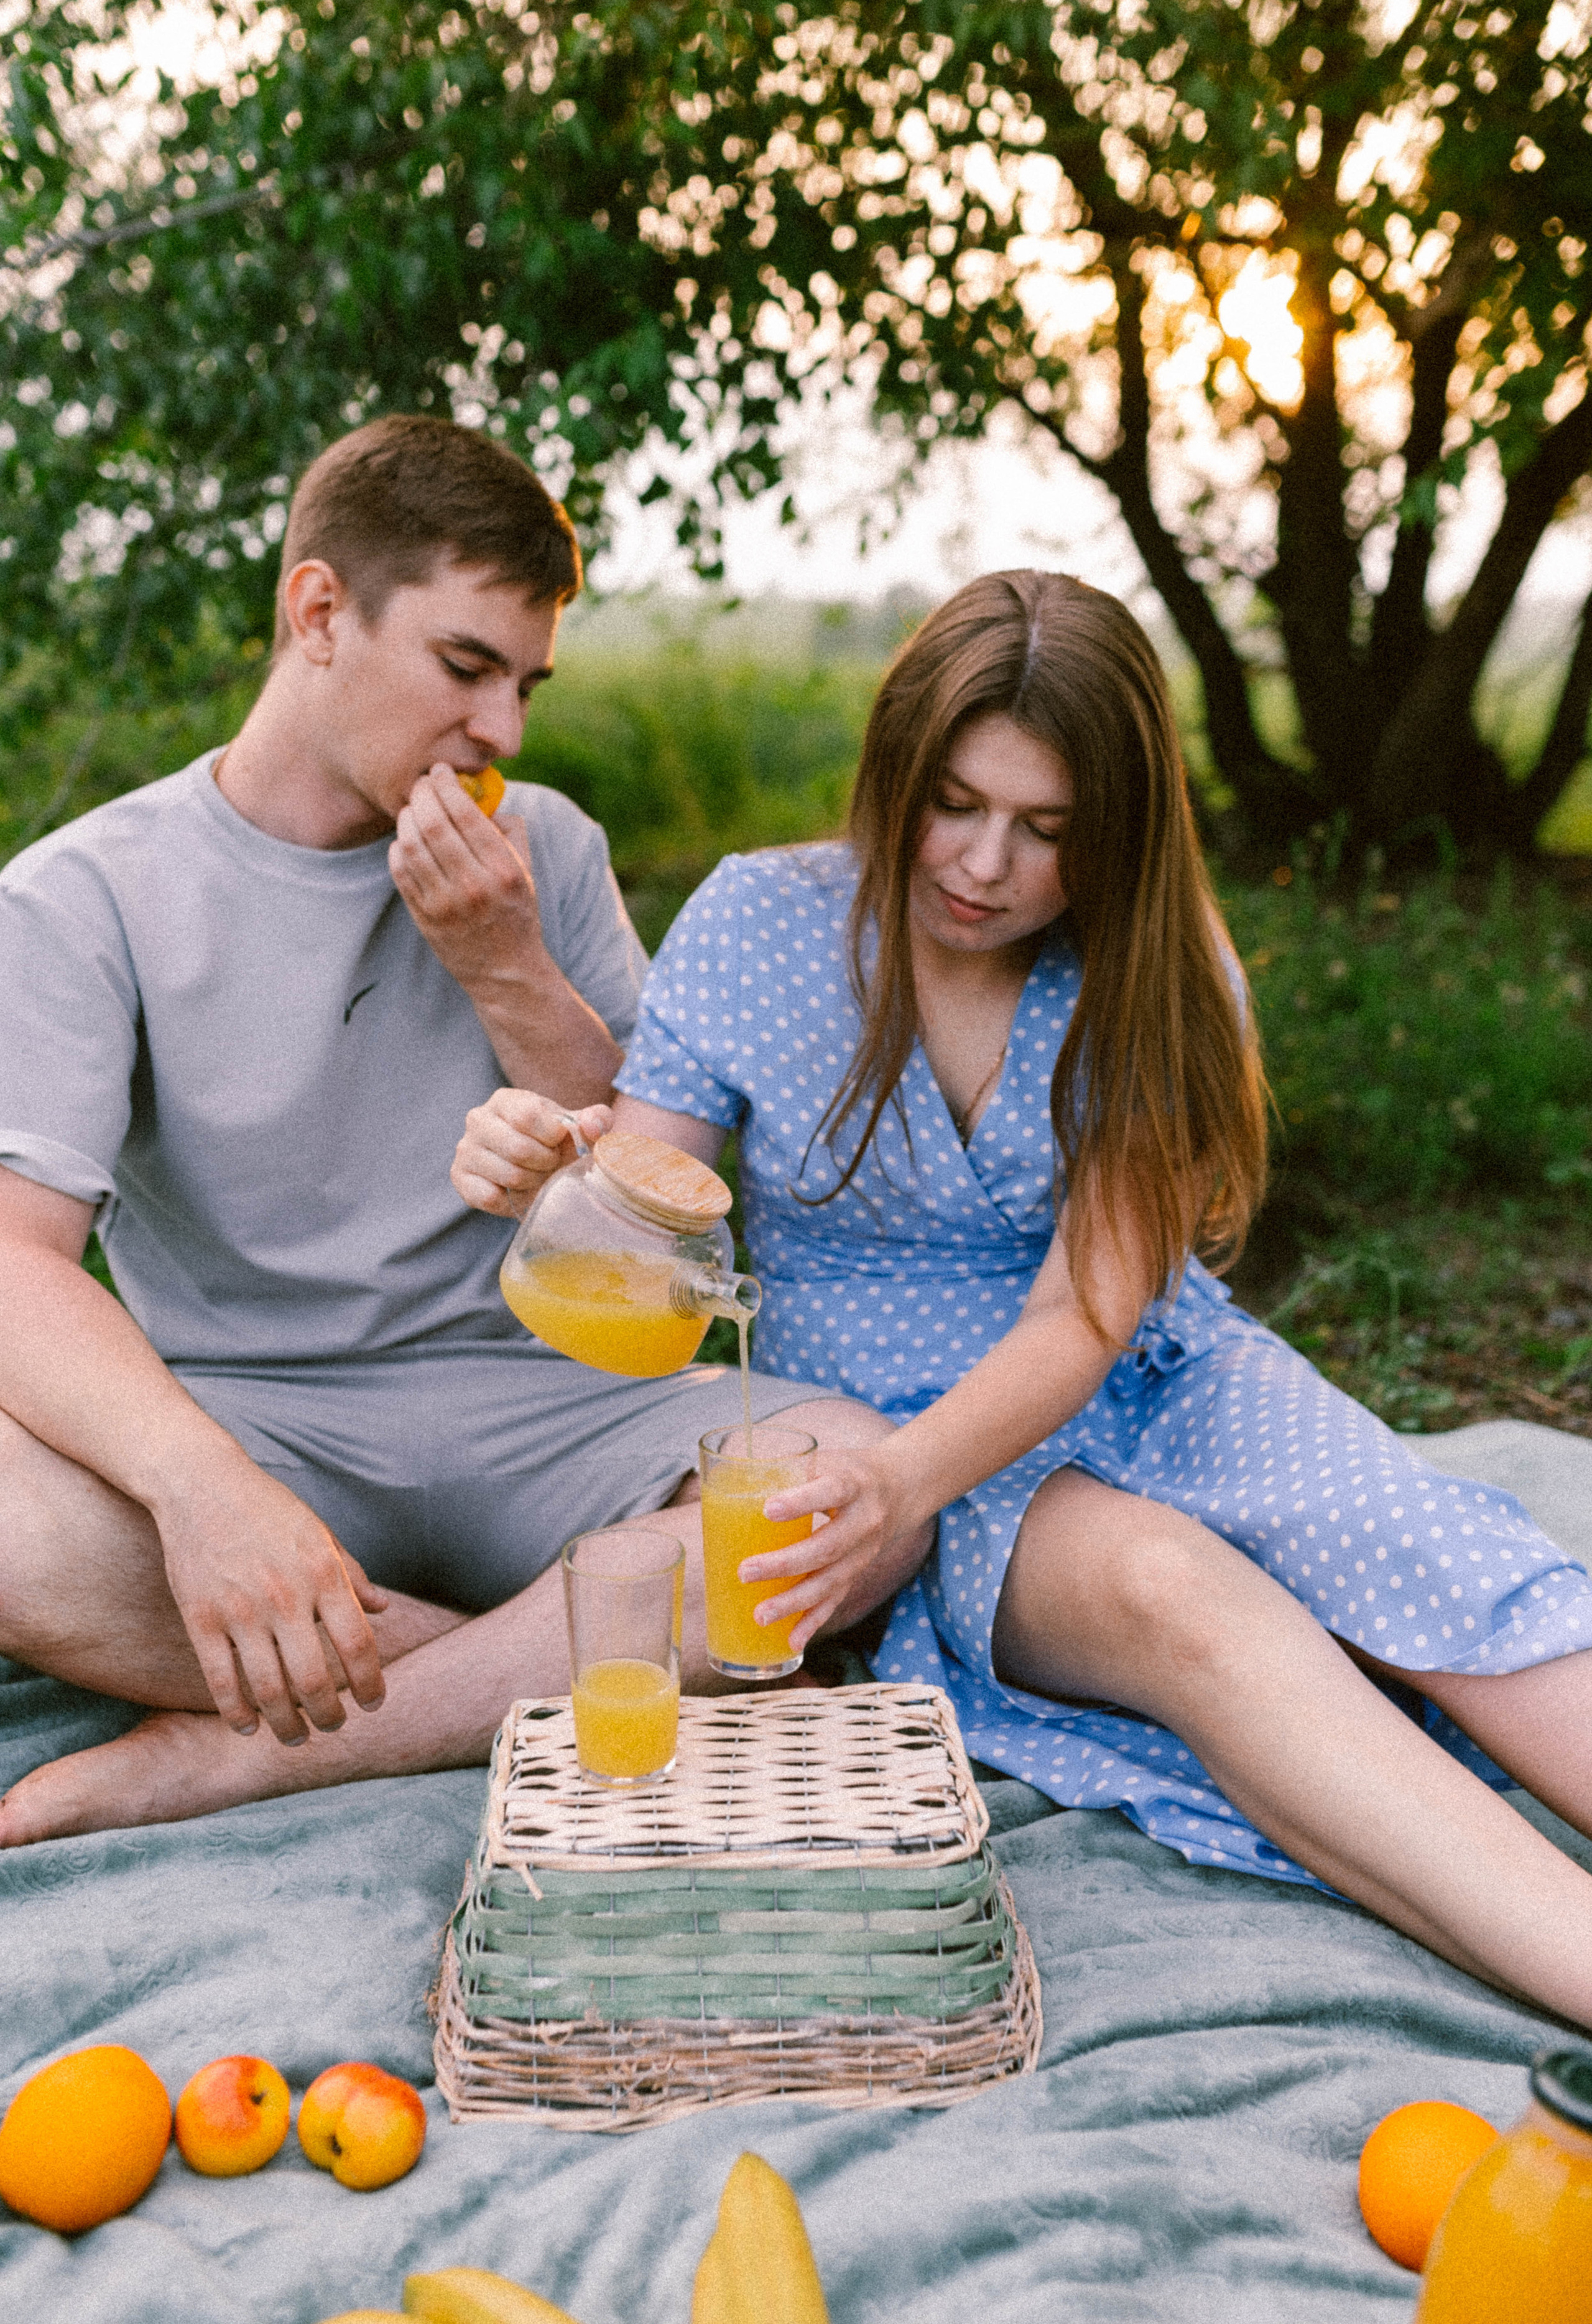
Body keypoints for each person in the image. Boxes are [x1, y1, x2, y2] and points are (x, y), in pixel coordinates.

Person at [454, 570, 1592, 2026]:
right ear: (896, 772)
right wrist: (549, 1161)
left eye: (1047, 830)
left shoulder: (1155, 974)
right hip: (893, 1431)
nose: (985, 864)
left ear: (1112, 836)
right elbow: (645, 1197)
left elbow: (1082, 1318)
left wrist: (894, 1486)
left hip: (1132, 1368)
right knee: (1174, 1596)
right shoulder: (758, 920)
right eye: (954, 802)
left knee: (1420, 1541)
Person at [0, 414, 915, 1847]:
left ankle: (275, 1748)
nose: (501, 729)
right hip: (258, 1418)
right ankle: (541, 1653)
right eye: (465, 668)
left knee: (854, 1482)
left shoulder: (543, 848)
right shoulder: (80, 896)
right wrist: (203, 1494)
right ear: (319, 612)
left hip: (546, 1406)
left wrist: (505, 967)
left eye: (525, 685)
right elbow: (15, 1264)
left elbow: (668, 1222)